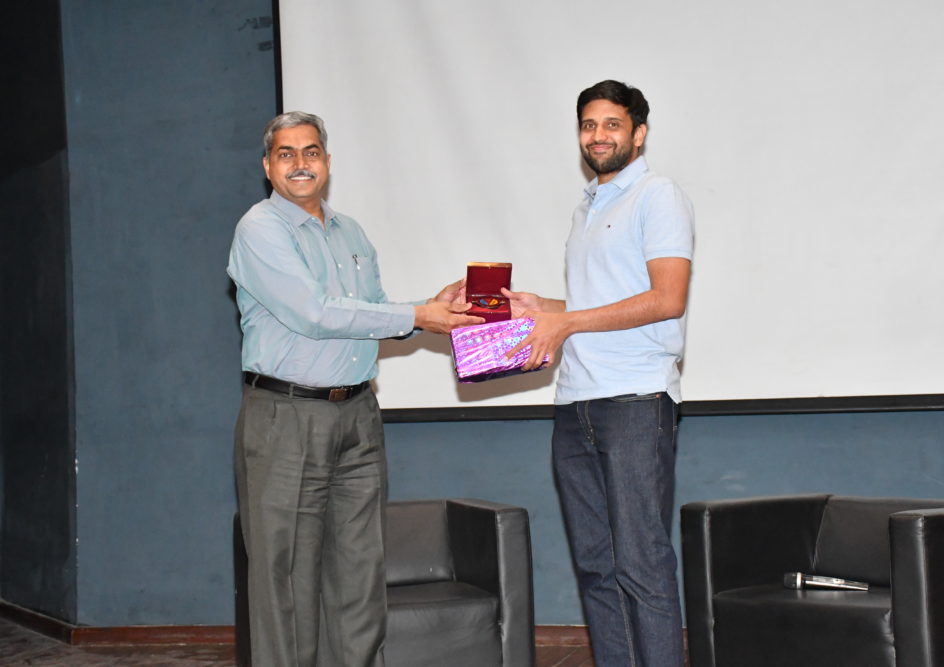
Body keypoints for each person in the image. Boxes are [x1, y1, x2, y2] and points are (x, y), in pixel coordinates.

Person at [227, 111, 481, 666]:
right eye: (287, 154)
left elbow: (366, 312)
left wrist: (426, 311)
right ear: (268, 166)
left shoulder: (352, 233)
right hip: (287, 418)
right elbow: (315, 314)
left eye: (311, 152)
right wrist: (418, 314)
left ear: (328, 163)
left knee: (360, 578)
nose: (300, 163)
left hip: (358, 416)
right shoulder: (259, 229)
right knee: (286, 583)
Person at [503, 80, 694, 666]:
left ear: (638, 133)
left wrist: (568, 323)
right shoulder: (587, 206)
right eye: (589, 125)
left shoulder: (657, 196)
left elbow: (667, 299)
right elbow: (597, 303)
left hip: (635, 403)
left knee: (642, 564)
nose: (598, 135)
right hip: (576, 403)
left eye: (612, 124)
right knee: (596, 567)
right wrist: (546, 311)